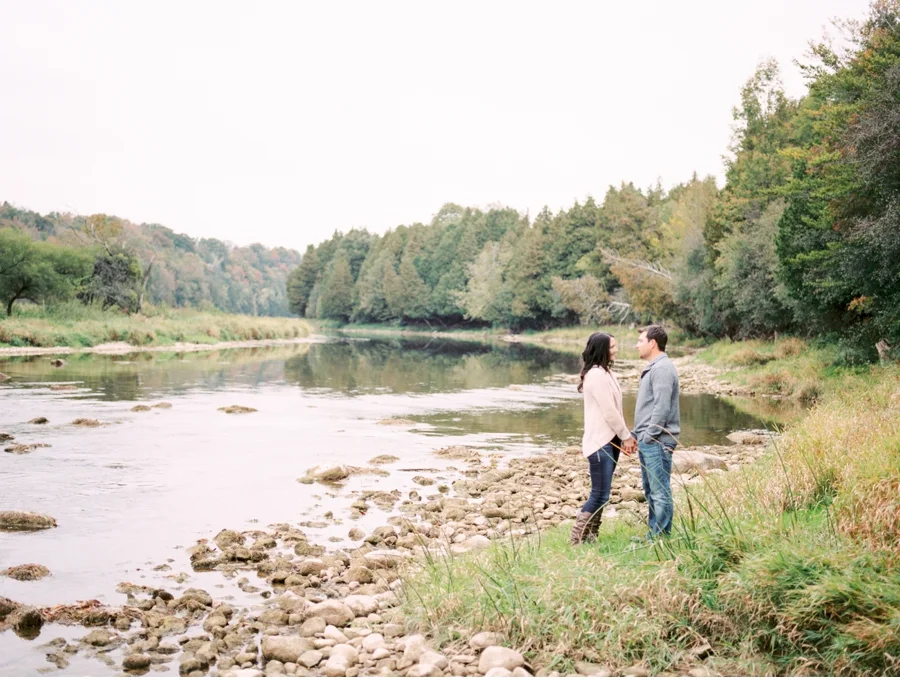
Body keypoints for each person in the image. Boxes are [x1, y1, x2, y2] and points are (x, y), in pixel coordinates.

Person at [571, 332, 637, 545]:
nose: (616, 350)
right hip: (599, 443)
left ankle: (591, 537)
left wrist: (622, 438)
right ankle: (577, 539)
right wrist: (626, 436)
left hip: (611, 441)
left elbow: (616, 409)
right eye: (612, 347)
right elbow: (609, 412)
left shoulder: (607, 373)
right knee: (599, 493)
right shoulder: (596, 375)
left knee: (604, 494)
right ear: (601, 349)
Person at [632, 325, 680, 538]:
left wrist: (649, 436)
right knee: (651, 490)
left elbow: (662, 408)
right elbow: (649, 407)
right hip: (649, 440)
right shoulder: (655, 367)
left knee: (660, 492)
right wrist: (637, 434)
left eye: (641, 340)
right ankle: (654, 534)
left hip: (657, 441)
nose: (637, 345)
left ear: (653, 343)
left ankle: (660, 537)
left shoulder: (661, 369)